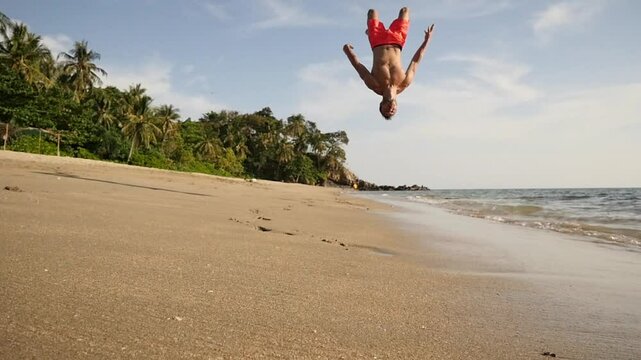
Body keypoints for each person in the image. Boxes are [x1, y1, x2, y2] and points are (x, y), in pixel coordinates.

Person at [343, 7, 434, 120]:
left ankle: (370, 33)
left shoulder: (374, 84)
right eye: (393, 112)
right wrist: (427, 40)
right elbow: (416, 61)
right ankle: (368, 33)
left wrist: (347, 51)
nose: (390, 110)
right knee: (405, 10)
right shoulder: (404, 83)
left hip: (377, 41)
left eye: (386, 111)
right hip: (397, 40)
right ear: (396, 107)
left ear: (381, 105)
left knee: (372, 12)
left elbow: (358, 66)